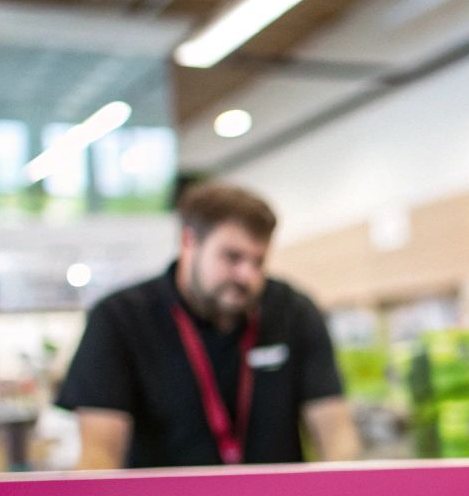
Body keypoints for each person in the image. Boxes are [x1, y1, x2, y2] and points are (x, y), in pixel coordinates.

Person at [57, 183, 360, 469]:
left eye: (259, 262)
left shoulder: (294, 311)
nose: (248, 277)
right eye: (232, 257)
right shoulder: (119, 318)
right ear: (189, 241)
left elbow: (337, 436)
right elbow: (99, 455)